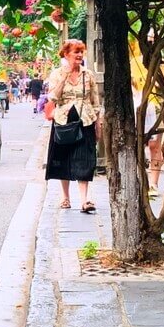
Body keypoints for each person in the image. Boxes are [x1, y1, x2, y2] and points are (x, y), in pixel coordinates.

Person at [44, 39, 102, 213]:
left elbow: (95, 101)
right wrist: (65, 76)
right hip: (64, 119)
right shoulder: (57, 74)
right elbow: (52, 98)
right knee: (64, 158)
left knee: (84, 158)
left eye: (80, 52)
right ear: (66, 54)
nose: (79, 55)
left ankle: (85, 200)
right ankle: (65, 197)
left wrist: (98, 124)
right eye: (75, 52)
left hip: (85, 119)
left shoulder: (88, 74)